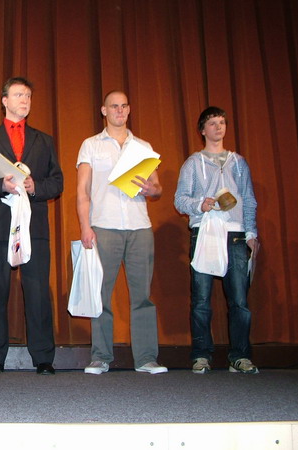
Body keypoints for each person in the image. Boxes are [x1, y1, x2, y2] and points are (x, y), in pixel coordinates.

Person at [0, 77, 63, 375]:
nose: (25, 100)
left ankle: (43, 358)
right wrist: (0, 185)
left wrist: (35, 187)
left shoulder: (44, 140)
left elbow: (57, 181)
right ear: (4, 100)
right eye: (19, 95)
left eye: (28, 95)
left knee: (38, 292)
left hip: (34, 227)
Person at [76, 90, 168, 375]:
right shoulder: (91, 145)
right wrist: (85, 226)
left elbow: (157, 188)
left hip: (140, 227)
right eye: (114, 106)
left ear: (129, 110)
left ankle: (146, 359)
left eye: (124, 106)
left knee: (142, 295)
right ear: (104, 110)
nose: (119, 110)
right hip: (104, 225)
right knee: (101, 294)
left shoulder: (143, 146)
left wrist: (152, 189)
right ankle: (100, 357)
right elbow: (82, 191)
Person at [174, 106, 260, 374]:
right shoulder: (193, 163)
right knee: (201, 299)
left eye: (222, 122)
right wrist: (201, 204)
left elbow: (248, 200)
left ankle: (240, 357)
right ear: (202, 130)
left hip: (235, 234)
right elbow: (180, 200)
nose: (218, 127)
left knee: (239, 300)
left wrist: (251, 233)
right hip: (205, 233)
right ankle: (201, 355)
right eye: (212, 123)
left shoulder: (238, 162)